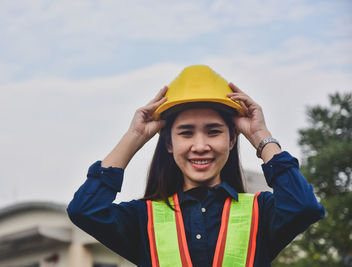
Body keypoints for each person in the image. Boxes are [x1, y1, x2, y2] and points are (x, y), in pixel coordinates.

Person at [67, 65, 325, 267]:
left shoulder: (261, 212)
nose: (200, 145)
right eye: (186, 133)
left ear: (232, 139)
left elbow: (303, 207)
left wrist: (260, 134)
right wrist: (134, 136)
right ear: (168, 143)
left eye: (213, 132)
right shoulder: (142, 218)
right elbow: (85, 210)